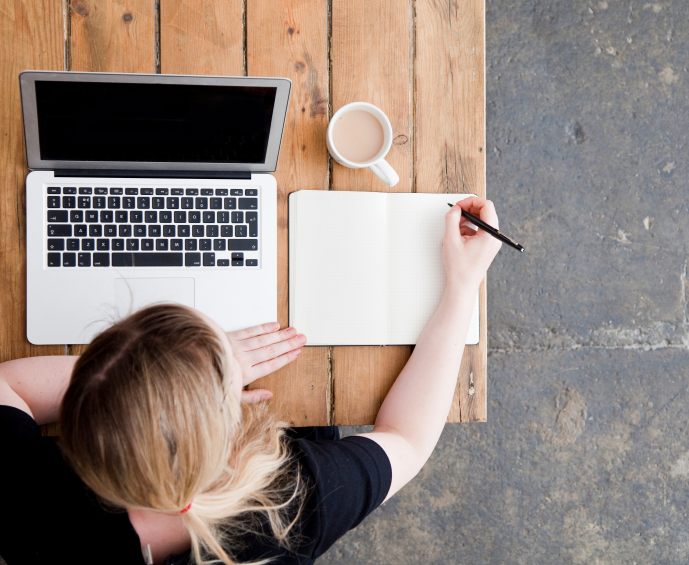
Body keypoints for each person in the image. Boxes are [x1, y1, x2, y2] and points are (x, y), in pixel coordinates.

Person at [0, 197, 501, 565]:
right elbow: (407, 442)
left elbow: (8, 388)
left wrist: (157, 386)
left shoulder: (30, 506)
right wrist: (462, 286)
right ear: (226, 426)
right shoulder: (290, 506)